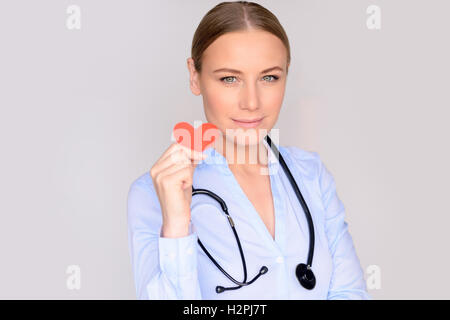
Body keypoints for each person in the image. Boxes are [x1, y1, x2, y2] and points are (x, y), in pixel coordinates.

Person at [127, 1, 371, 300]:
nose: (252, 102)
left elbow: (350, 293)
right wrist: (177, 226)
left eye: (269, 77)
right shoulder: (152, 194)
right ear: (195, 76)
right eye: (230, 78)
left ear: (286, 74)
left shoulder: (311, 174)